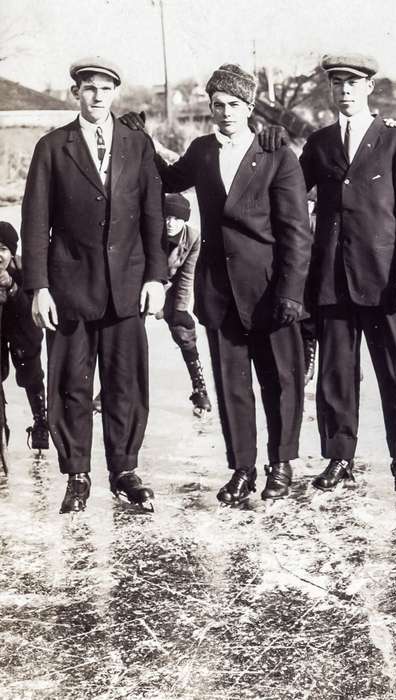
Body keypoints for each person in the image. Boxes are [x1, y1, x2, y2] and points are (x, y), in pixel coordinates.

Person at [134, 64, 311, 506]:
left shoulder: (276, 154)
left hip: (270, 289)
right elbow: (169, 179)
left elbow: (295, 231)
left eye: (234, 105)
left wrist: (291, 291)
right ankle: (242, 469)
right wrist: (142, 140)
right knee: (232, 385)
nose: (225, 112)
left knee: (280, 381)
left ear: (250, 108)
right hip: (220, 290)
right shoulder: (203, 150)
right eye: (218, 105)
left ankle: (282, 464)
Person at [21, 56, 166, 514]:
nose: (97, 96)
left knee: (126, 384)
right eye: (88, 88)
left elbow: (152, 216)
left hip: (126, 287)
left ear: (115, 93)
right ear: (75, 93)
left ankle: (124, 471)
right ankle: (77, 475)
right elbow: (34, 222)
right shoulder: (52, 146)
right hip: (69, 291)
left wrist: (157, 276)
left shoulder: (136, 145)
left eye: (105, 88)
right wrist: (39, 286)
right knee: (71, 385)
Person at [299, 54, 396, 493]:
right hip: (333, 279)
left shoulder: (395, 142)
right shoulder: (319, 142)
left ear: (370, 86)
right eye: (337, 83)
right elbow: (291, 189)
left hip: (385, 279)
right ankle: (339, 458)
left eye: (353, 82)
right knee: (335, 374)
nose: (345, 90)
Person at [158, 193, 212, 416]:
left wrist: (180, 309)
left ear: (185, 221)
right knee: (128, 337)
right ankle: (107, 392)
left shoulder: (193, 237)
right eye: (167, 217)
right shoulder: (153, 230)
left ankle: (199, 389)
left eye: (177, 219)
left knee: (185, 332)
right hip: (141, 285)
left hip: (169, 287)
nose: (171, 223)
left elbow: (187, 274)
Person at [0, 222, 48, 451]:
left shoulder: (24, 269)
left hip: (22, 327)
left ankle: (41, 420)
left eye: (2, 249)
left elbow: (30, 313)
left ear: (11, 251)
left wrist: (11, 288)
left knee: (30, 368)